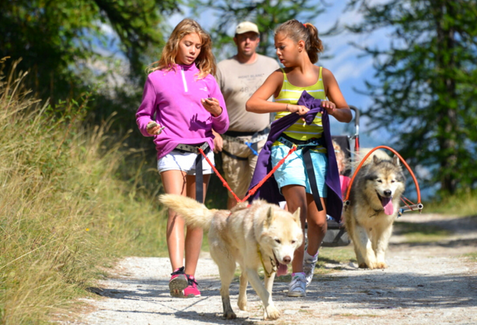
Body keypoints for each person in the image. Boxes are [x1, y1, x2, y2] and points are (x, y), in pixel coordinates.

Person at [246, 19, 352, 297]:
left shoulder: (324, 77)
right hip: (286, 151)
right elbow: (253, 103)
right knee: (296, 211)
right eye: (276, 48)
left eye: (282, 47)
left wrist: (330, 108)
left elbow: (346, 113)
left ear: (301, 45)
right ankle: (297, 275)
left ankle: (311, 259)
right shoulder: (278, 77)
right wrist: (288, 106)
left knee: (318, 222)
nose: (278, 53)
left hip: (316, 152)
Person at [135, 18, 228, 299]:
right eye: (188, 44)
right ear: (176, 42)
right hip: (171, 151)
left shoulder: (208, 81)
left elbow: (223, 124)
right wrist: (149, 127)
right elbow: (143, 115)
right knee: (176, 209)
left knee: (196, 216)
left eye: (198, 47)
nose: (193, 51)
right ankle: (177, 273)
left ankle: (191, 276)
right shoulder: (156, 78)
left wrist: (216, 113)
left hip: (201, 153)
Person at [214, 21, 280, 209]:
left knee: (260, 194)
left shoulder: (270, 64)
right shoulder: (223, 68)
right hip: (232, 142)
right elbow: (211, 102)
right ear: (236, 40)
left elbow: (282, 97)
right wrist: (214, 131)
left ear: (258, 40)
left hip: (261, 138)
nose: (247, 42)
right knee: (236, 197)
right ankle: (233, 236)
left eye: (251, 38)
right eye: (243, 38)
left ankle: (257, 237)